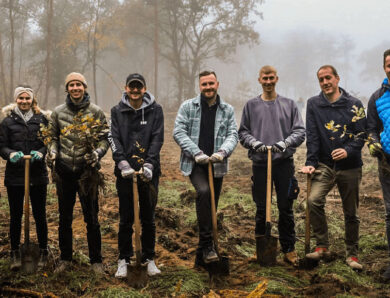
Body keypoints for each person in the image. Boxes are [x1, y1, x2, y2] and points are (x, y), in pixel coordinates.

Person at [238, 65, 305, 266]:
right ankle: (262, 248)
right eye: (264, 78)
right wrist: (254, 143)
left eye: (271, 78)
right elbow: (243, 132)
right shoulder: (251, 105)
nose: (268, 82)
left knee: (285, 207)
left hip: (283, 163)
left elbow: (300, 132)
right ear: (259, 80)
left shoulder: (289, 104)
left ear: (277, 78)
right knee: (261, 208)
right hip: (260, 164)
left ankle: (289, 249)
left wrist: (285, 143)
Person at [301, 65, 366, 270]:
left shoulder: (354, 104)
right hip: (325, 164)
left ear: (337, 79)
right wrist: (311, 163)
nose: (325, 82)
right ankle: (322, 246)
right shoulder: (313, 104)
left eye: (328, 78)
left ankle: (352, 254)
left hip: (350, 166)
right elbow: (311, 135)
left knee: (351, 212)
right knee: (313, 201)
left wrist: (348, 150)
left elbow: (361, 135)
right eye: (321, 80)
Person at [173, 70, 238, 265]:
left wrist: (222, 152)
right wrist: (196, 153)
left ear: (217, 84)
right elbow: (178, 132)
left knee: (211, 207)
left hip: (216, 164)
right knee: (204, 192)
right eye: (204, 84)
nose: (208, 87)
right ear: (199, 86)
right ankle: (209, 246)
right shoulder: (188, 107)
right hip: (195, 163)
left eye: (211, 83)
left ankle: (201, 257)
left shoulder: (227, 110)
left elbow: (233, 134)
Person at [46, 72, 109, 274]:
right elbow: (51, 137)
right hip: (64, 171)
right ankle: (65, 259)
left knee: (91, 217)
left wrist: (98, 153)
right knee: (64, 217)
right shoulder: (57, 112)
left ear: (85, 87)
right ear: (67, 89)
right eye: (71, 85)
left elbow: (104, 139)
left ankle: (96, 261)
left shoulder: (96, 112)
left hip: (87, 172)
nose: (75, 88)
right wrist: (53, 151)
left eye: (78, 85)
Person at [108, 73, 164, 278]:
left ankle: (149, 258)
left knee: (148, 217)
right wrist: (122, 163)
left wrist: (149, 164)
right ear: (125, 88)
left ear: (144, 89)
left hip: (149, 173)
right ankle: (124, 258)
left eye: (138, 87)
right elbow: (113, 138)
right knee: (126, 218)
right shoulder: (117, 111)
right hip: (125, 173)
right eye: (131, 87)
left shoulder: (155, 110)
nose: (134, 90)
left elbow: (158, 138)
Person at [0, 85, 49, 270]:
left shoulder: (42, 119)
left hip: (37, 176)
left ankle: (43, 250)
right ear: (16, 100)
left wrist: (42, 152)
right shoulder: (7, 122)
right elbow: (2, 145)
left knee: (40, 214)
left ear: (32, 100)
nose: (24, 101)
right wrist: (10, 153)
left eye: (27, 98)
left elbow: (48, 142)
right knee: (15, 215)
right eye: (20, 98)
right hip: (15, 176)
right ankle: (14, 251)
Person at [367, 48, 390, 280]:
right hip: (387, 162)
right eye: (389, 64)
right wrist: (373, 143)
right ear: (384, 68)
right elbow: (371, 128)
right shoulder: (377, 98)